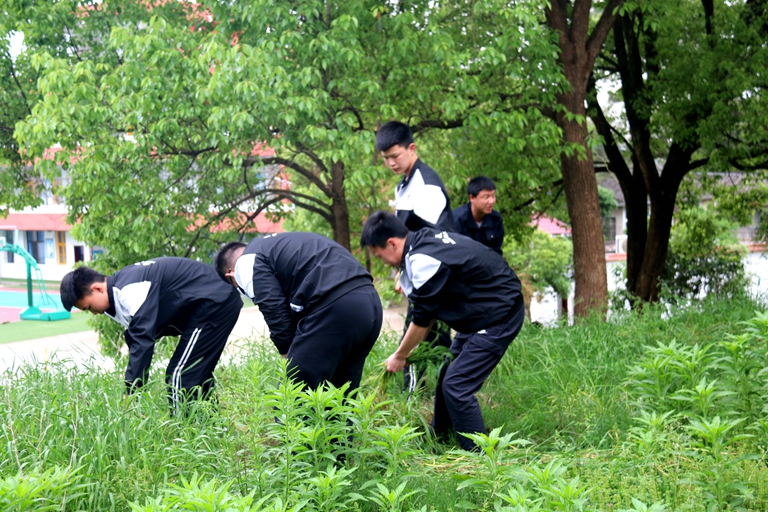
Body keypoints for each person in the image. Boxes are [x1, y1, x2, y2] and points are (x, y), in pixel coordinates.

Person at [360, 211, 525, 451]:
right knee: (447, 374)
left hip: (499, 314)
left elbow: (423, 320)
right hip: (481, 310)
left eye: (380, 255)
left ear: (392, 243)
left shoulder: (421, 260)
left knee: (457, 385)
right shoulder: (422, 239)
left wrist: (400, 355)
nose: (383, 262)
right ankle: (440, 434)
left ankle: (479, 456)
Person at [60, 257, 242, 413]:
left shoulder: (129, 290)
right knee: (196, 373)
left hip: (215, 303)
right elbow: (136, 339)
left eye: (89, 307)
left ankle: (184, 432)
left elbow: (143, 341)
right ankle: (212, 430)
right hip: (210, 305)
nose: (93, 313)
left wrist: (132, 392)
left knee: (180, 374)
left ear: (97, 289)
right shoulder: (118, 294)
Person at [213, 232, 383, 393]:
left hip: (335, 306)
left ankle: (287, 425)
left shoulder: (245, 262)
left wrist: (288, 353)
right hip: (370, 304)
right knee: (340, 394)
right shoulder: (278, 245)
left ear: (231, 274)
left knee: (293, 395)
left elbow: (273, 306)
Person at [376, 120, 455, 390]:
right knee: (431, 339)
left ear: (412, 148)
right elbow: (406, 237)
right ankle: (429, 395)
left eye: (395, 156)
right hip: (419, 274)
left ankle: (423, 396)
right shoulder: (403, 186)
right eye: (386, 159)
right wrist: (402, 274)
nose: (391, 163)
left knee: (420, 335)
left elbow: (430, 240)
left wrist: (411, 276)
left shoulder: (426, 186)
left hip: (435, 276)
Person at [453, 176, 505, 255]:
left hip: (486, 265)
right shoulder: (457, 220)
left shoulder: (496, 220)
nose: (491, 201)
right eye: (486, 197)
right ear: (472, 198)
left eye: (493, 196)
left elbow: (496, 252)